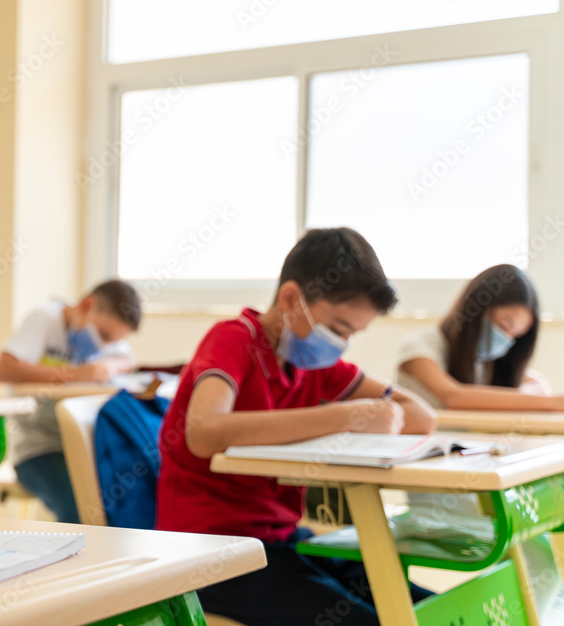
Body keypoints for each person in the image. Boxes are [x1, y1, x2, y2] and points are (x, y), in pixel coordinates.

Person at [156, 228, 436, 625]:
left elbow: (422, 416)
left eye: (352, 334)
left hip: (279, 538)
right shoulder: (233, 340)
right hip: (211, 552)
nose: (342, 343)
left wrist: (377, 411)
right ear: (291, 299)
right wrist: (346, 416)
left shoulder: (314, 366)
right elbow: (204, 432)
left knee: (418, 606)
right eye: (338, 328)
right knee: (367, 620)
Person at [0, 280, 141, 523]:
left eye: (111, 342)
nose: (103, 345)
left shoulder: (104, 341)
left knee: (131, 493)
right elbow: (4, 369)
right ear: (87, 305)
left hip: (84, 445)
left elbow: (128, 359)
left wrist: (108, 367)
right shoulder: (44, 319)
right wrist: (75, 374)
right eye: (104, 335)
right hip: (38, 448)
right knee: (81, 508)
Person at [396, 264, 558, 410]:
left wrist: (537, 394)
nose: (507, 340)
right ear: (477, 307)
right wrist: (550, 402)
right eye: (504, 326)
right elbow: (453, 397)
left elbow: (534, 382)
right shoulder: (419, 346)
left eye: (516, 335)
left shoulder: (483, 362)